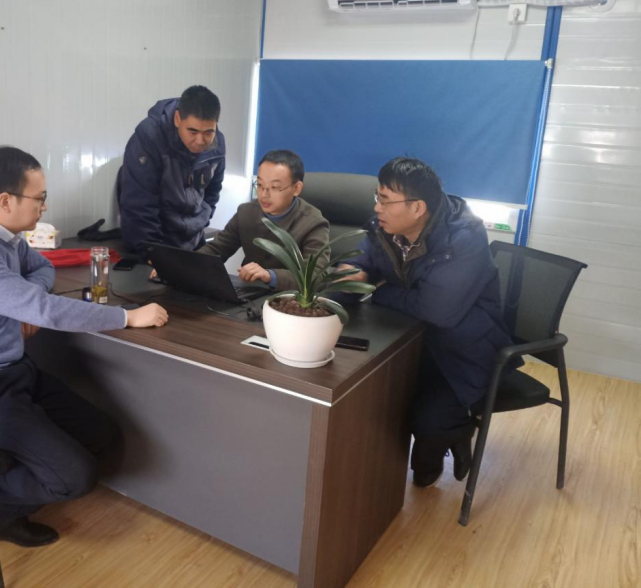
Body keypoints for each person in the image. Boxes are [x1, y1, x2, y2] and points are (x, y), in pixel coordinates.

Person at [0, 146, 168, 547]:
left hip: (10, 372)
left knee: (103, 434)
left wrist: (23, 300)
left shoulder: (5, 237)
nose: (45, 207)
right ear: (5, 201)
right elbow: (46, 310)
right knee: (76, 477)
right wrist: (127, 317)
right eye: (40, 198)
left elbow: (43, 268)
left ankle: (3, 473)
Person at [338, 157, 520, 488]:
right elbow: (364, 260)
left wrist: (378, 290)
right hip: (412, 342)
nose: (377, 208)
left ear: (418, 207)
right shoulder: (384, 227)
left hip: (462, 354)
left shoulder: (464, 238)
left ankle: (458, 431)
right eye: (377, 197)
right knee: (374, 401)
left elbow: (439, 311)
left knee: (425, 458)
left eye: (385, 200)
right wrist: (352, 271)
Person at [116, 85, 225, 257]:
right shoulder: (150, 137)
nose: (200, 140)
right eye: (192, 131)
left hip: (193, 242)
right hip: (155, 244)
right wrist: (154, 255)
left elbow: (212, 193)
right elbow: (139, 204)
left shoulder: (217, 144)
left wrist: (200, 224)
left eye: (208, 132)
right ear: (177, 119)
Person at [198, 149, 329, 291]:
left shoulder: (313, 223)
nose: (264, 195)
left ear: (296, 188)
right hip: (249, 291)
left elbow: (317, 276)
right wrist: (189, 263)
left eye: (275, 187)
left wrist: (270, 276)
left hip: (289, 298)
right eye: (260, 185)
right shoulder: (246, 212)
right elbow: (217, 249)